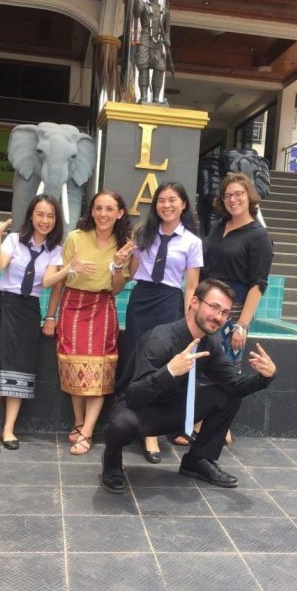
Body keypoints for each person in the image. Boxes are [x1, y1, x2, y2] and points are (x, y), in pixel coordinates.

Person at [101, 278, 276, 493]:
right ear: (194, 302)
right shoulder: (160, 339)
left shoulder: (209, 343)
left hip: (177, 411)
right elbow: (134, 395)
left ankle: (198, 460)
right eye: (214, 307)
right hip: (142, 412)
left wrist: (264, 378)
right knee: (120, 423)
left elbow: (234, 384)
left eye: (225, 313)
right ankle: (111, 461)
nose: (219, 317)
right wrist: (170, 371)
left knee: (228, 395)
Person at [43, 190, 133, 456]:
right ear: (91, 211)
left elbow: (116, 289)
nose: (103, 214)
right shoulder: (75, 238)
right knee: (74, 367)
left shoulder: (124, 246)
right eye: (98, 208)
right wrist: (51, 315)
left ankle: (87, 432)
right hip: (72, 306)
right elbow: (59, 281)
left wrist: (117, 267)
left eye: (109, 209)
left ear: (120, 213)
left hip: (102, 308)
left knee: (99, 370)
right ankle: (79, 421)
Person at [0, 195, 64, 455]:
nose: (44, 220)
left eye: (50, 215)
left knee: (21, 369)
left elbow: (51, 283)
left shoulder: (55, 250)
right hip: (5, 305)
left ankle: (8, 428)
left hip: (29, 309)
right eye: (40, 214)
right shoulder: (14, 240)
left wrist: (67, 271)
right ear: (31, 215)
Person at [125, 181, 202, 463]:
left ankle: (151, 433)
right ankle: (129, 419)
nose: (166, 205)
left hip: (169, 300)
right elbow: (132, 272)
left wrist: (188, 321)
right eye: (161, 200)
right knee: (136, 359)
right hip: (142, 299)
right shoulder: (143, 233)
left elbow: (192, 285)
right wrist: (123, 260)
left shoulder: (192, 242)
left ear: (183, 204)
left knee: (160, 364)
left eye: (172, 200)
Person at [199, 171, 274, 444]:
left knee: (225, 369)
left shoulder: (259, 236)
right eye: (228, 195)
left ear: (249, 196)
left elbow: (259, 283)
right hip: (207, 304)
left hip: (231, 310)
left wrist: (242, 323)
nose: (233, 200)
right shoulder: (219, 227)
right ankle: (198, 421)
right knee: (202, 365)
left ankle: (219, 425)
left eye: (238, 194)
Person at [132, 0, 170, 103]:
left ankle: (156, 98)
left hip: (157, 42)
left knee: (159, 68)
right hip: (144, 39)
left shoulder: (165, 11)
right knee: (144, 67)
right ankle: (143, 96)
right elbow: (137, 13)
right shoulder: (144, 5)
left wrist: (167, 39)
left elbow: (167, 29)